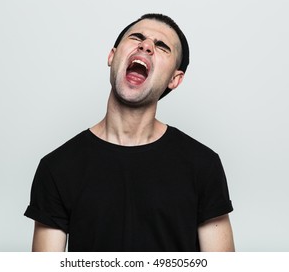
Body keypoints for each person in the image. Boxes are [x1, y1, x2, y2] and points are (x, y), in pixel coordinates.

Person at [24, 13, 235, 252]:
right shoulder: (57, 168)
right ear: (112, 56)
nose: (146, 46)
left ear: (174, 79)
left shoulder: (203, 165)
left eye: (162, 46)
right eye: (137, 37)